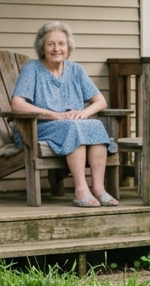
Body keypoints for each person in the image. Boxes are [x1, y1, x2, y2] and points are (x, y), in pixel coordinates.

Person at [10, 22, 119, 207]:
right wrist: (55, 115)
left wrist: (84, 113)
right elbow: (17, 104)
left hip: (71, 124)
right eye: (50, 44)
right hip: (36, 127)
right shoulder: (32, 68)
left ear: (68, 48)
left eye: (61, 44)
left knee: (95, 125)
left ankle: (99, 189)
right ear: (42, 48)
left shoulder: (76, 70)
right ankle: (81, 190)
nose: (56, 49)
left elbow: (100, 101)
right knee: (73, 128)